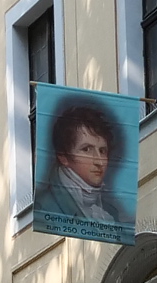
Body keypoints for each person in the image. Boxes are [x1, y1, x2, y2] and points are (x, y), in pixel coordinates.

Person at [26, 90, 135, 242]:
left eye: (102, 151)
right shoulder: (46, 207)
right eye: (87, 149)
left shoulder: (109, 214)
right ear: (63, 157)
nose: (99, 161)